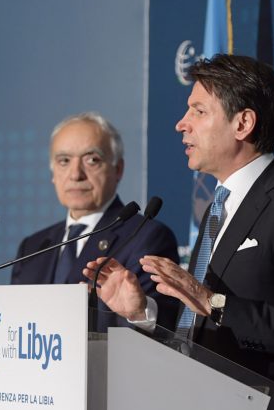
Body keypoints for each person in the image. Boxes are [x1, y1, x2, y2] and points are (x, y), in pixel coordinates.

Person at [84, 55, 274, 410]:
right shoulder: (218, 206)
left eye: (198, 111)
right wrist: (143, 312)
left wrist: (214, 302)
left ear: (243, 123)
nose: (181, 124)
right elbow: (201, 328)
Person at [11, 112, 180, 330]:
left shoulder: (146, 236)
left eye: (92, 160)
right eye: (64, 161)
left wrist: (139, 313)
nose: (76, 174)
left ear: (118, 169)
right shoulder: (33, 247)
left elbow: (161, 327)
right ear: (53, 173)